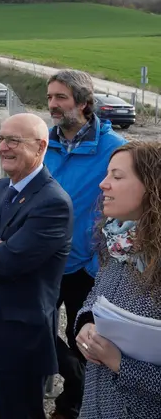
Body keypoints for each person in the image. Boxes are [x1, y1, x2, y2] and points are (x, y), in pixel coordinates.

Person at [0, 113, 74, 419]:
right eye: (1, 139)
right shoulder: (1, 189)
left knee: (20, 411)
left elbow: (8, 264)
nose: (3, 147)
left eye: (13, 141)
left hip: (22, 334)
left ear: (40, 147)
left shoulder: (52, 202)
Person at [44, 69, 127, 419]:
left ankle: (72, 405)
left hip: (87, 265)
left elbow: (130, 203)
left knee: (83, 336)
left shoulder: (114, 150)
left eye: (61, 97)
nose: (52, 105)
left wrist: (100, 258)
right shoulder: (43, 143)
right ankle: (71, 374)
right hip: (43, 261)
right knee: (33, 327)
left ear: (84, 103)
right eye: (49, 97)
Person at [74, 141, 161, 418]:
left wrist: (120, 364)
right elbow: (95, 297)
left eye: (117, 176)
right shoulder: (119, 244)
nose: (103, 184)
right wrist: (87, 322)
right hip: (94, 406)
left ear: (153, 187)